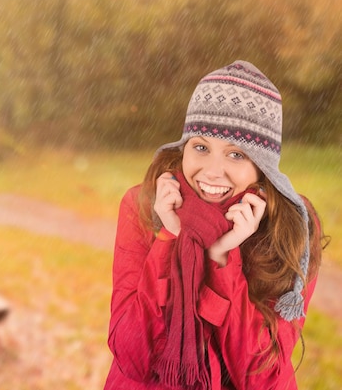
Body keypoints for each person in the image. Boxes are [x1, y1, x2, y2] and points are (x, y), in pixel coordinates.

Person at [104, 60, 326, 390]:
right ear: (184, 147)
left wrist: (223, 259)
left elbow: (262, 378)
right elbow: (131, 352)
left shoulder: (290, 228)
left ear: (261, 167)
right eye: (201, 147)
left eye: (236, 154)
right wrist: (171, 237)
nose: (212, 172)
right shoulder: (145, 205)